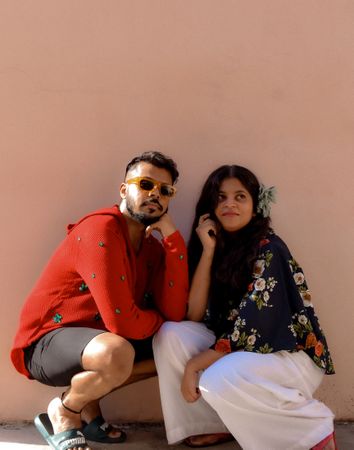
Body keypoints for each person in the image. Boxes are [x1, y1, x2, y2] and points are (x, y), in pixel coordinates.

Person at [11, 151, 189, 450]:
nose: (154, 194)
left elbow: (174, 312)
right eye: (145, 184)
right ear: (124, 189)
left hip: (100, 339)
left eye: (164, 190)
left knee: (174, 345)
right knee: (117, 353)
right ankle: (66, 411)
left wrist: (173, 240)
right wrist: (160, 322)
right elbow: (121, 320)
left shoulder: (152, 249)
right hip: (47, 341)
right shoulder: (100, 229)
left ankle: (87, 405)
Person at [153, 164, 336, 450]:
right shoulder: (214, 245)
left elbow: (255, 327)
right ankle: (215, 424)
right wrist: (208, 252)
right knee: (171, 335)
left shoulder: (269, 248)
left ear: (255, 205)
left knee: (216, 377)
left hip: (287, 356)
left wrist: (194, 365)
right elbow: (194, 314)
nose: (229, 204)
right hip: (241, 353)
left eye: (240, 197)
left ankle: (313, 429)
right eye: (221, 197)